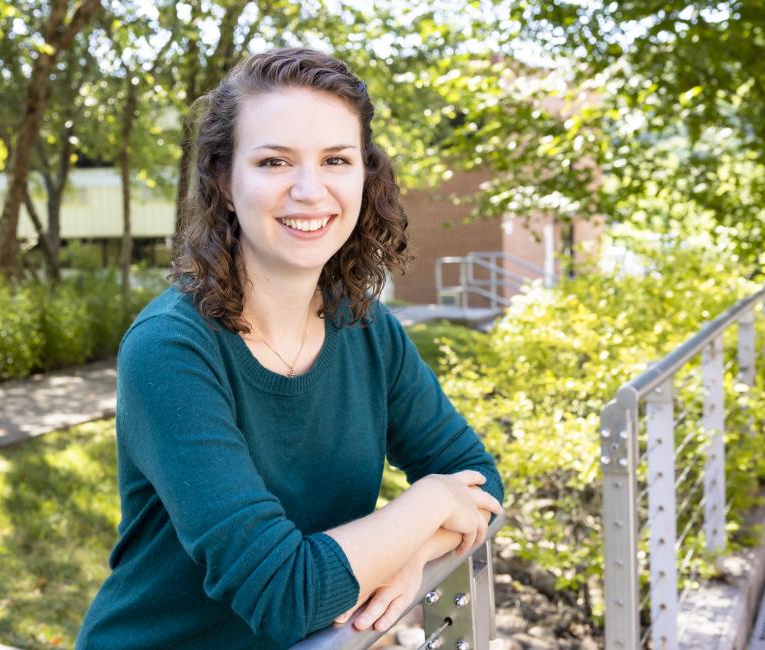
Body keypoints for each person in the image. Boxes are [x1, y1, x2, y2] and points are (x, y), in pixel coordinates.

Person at [76, 47, 504, 649]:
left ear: (364, 174)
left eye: (336, 159)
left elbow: (481, 480)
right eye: (275, 161)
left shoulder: (365, 326)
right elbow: (286, 595)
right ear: (224, 182)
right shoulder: (168, 351)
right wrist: (430, 503)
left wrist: (411, 557)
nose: (310, 190)